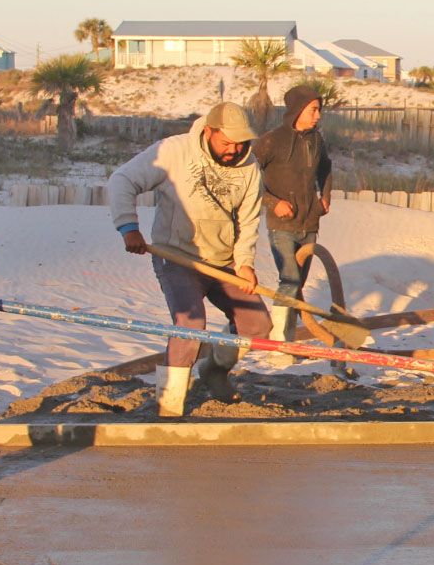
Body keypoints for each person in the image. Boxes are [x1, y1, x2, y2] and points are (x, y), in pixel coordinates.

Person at [108, 102, 270, 415]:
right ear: (209, 131)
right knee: (190, 326)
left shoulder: (250, 166)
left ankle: (215, 369)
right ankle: (168, 404)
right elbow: (122, 181)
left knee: (257, 325)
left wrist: (245, 262)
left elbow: (249, 221)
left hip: (223, 263)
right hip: (177, 256)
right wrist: (129, 228)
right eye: (226, 143)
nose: (234, 150)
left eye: (241, 143)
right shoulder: (174, 151)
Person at [253, 83, 332, 345]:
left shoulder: (317, 140)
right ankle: (279, 342)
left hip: (309, 222)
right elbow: (249, 176)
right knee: (289, 279)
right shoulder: (271, 140)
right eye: (314, 110)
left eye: (319, 110)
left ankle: (287, 339)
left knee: (297, 284)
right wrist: (273, 202)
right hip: (282, 224)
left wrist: (325, 197)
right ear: (298, 110)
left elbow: (326, 169)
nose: (318, 115)